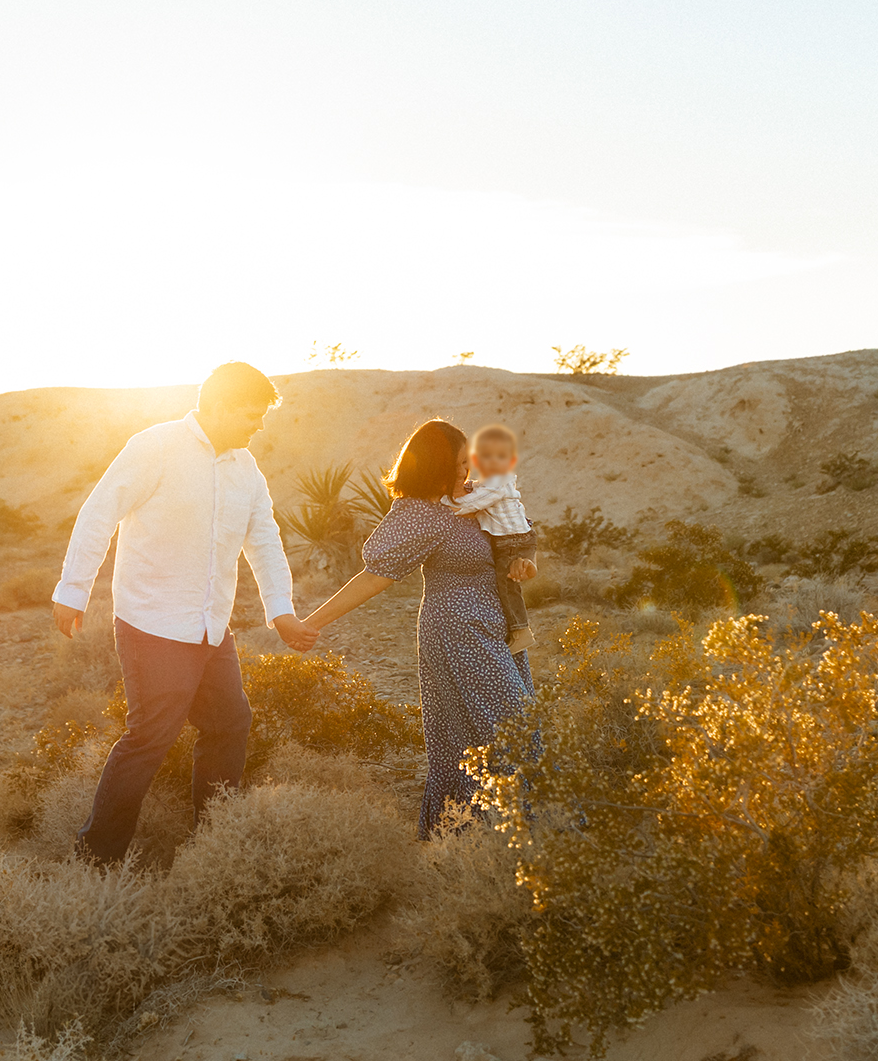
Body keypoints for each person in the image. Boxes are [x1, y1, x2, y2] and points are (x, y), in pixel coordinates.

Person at [51, 362, 318, 865]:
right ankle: (94, 860)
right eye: (250, 413)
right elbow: (99, 512)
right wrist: (73, 589)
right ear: (216, 405)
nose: (258, 425)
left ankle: (215, 844)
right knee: (150, 736)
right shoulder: (155, 446)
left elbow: (265, 541)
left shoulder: (246, 469)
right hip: (151, 621)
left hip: (211, 627)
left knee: (229, 723)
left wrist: (280, 611)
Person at [300, 419, 537, 838]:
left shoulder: (470, 502)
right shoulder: (419, 514)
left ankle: (521, 834)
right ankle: (472, 836)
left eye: (469, 462)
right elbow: (376, 575)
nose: (468, 470)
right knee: (503, 729)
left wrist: (523, 563)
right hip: (457, 632)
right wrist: (312, 623)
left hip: (496, 628)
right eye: (460, 462)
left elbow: (512, 542)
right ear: (437, 464)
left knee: (514, 726)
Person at [444, 423, 536, 652]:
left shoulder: (500, 483)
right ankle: (514, 628)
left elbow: (473, 503)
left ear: (510, 462)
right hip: (514, 538)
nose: (493, 462)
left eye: (500, 457)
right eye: (486, 457)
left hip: (512, 540)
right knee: (506, 583)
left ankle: (520, 630)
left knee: (506, 585)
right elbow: (474, 491)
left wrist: (445, 504)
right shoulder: (486, 484)